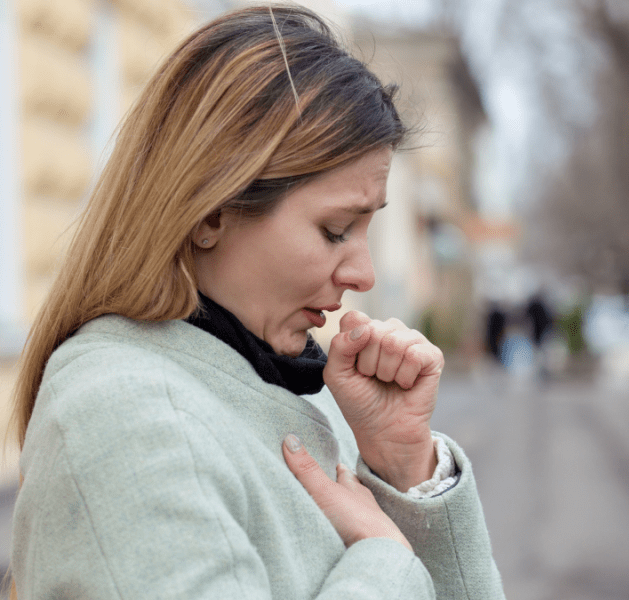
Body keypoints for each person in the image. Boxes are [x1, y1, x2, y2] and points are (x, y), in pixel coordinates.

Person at [7, 4, 504, 599]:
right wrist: (385, 560)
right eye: (335, 229)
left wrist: (404, 468)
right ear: (211, 212)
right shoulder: (125, 419)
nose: (365, 274)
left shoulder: (297, 396)